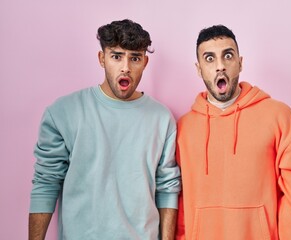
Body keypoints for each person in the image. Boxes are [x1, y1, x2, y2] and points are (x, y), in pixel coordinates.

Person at [29, 19, 181, 240]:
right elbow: (46, 182)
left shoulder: (162, 118)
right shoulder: (63, 112)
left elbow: (167, 189)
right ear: (102, 59)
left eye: (135, 58)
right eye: (116, 56)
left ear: (145, 63)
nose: (126, 67)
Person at [175, 24, 291, 239]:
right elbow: (180, 201)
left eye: (228, 55)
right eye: (210, 58)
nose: (220, 66)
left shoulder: (278, 116)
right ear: (199, 69)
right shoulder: (184, 128)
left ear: (240, 63)